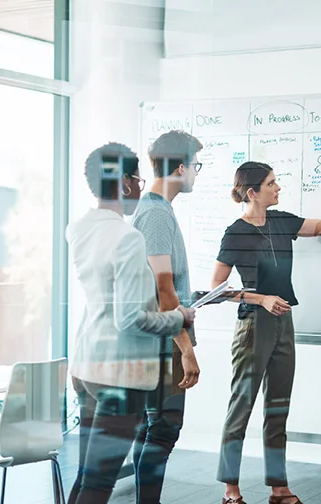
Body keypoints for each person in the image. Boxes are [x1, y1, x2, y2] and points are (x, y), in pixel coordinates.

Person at [213, 159, 321, 504]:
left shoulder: (281, 220)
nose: (278, 187)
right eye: (271, 183)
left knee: (278, 408)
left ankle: (279, 488)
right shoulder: (235, 233)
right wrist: (260, 298)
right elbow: (216, 289)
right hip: (253, 327)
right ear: (253, 192)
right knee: (241, 407)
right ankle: (231, 490)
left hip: (283, 322)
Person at [66, 142, 196, 504]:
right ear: (124, 183)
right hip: (118, 372)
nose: (140, 188)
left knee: (88, 475)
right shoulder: (127, 237)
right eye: (137, 180)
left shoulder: (78, 228)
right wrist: (178, 318)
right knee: (101, 482)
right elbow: (131, 319)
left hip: (86, 362)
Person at [131, 130, 204, 503]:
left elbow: (166, 283)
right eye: (196, 166)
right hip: (163, 345)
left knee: (152, 429)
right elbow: (164, 291)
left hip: (157, 340)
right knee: (162, 431)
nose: (196, 173)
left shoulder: (156, 211)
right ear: (179, 167)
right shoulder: (157, 215)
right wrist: (186, 348)